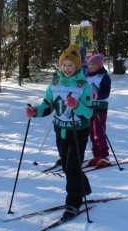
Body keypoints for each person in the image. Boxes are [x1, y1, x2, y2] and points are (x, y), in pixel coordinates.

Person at [26, 43, 94, 220]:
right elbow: (48, 105)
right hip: (61, 130)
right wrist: (36, 111)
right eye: (64, 65)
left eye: (71, 65)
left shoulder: (83, 86)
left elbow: (88, 113)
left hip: (78, 130)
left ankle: (73, 203)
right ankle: (83, 187)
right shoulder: (54, 83)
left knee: (71, 167)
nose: (67, 68)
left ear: (77, 66)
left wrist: (77, 106)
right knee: (66, 166)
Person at [85, 53, 112, 167]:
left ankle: (104, 156)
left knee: (99, 132)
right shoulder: (86, 77)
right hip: (88, 108)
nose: (90, 66)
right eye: (89, 64)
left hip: (100, 108)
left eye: (94, 65)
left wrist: (96, 95)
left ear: (99, 65)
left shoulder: (104, 77)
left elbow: (105, 93)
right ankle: (96, 155)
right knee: (91, 132)